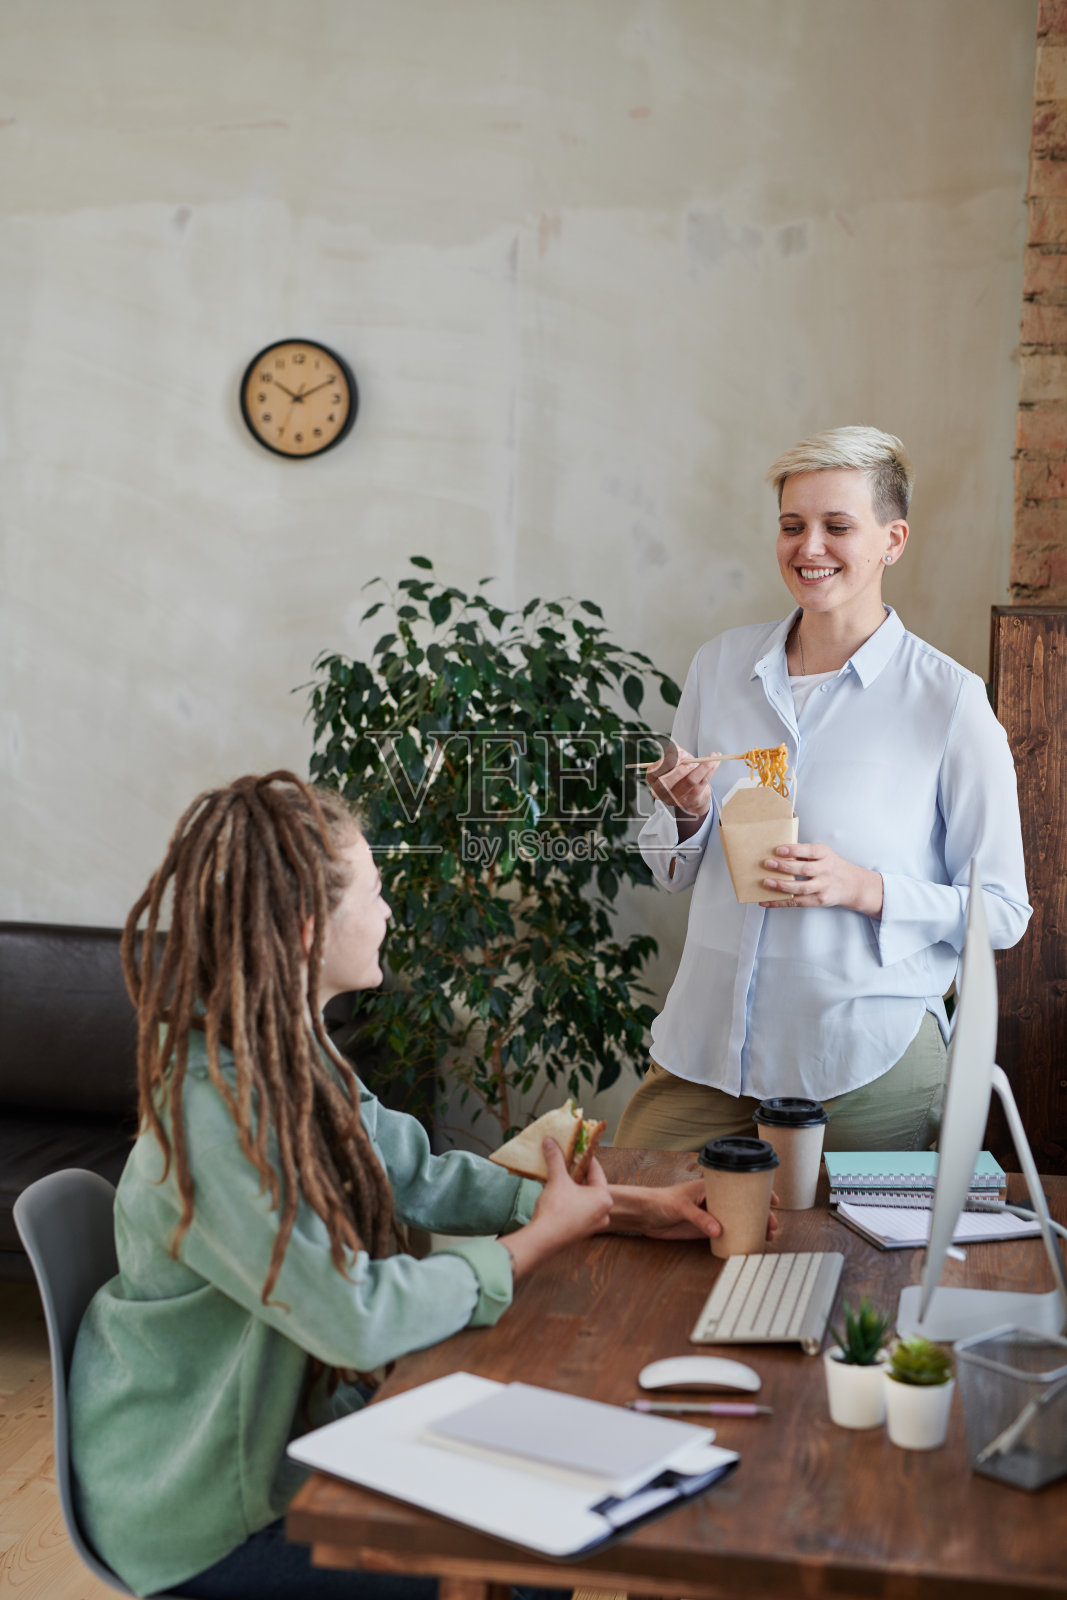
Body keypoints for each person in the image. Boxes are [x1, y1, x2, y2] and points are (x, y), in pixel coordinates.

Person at [68, 772, 735, 1600]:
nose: (390, 914)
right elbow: (354, 1316)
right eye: (377, 894)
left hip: (288, 1442)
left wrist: (624, 1209)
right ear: (311, 928)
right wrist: (536, 1243)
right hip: (201, 1512)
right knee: (529, 1564)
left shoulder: (288, 1053)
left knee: (551, 1522)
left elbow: (417, 1174)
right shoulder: (212, 1113)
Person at [614, 426, 1031, 1155]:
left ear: (891, 541)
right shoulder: (719, 668)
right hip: (705, 1051)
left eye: (836, 526)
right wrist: (682, 817)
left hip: (863, 1059)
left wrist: (863, 887)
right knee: (628, 1224)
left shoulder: (949, 703)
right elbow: (667, 868)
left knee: (846, 1265)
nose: (808, 548)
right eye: (791, 525)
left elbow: (1000, 915)